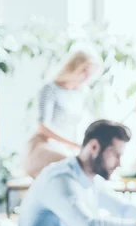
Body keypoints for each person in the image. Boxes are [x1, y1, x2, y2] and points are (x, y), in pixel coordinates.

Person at [24, 50, 98, 178]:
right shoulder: (50, 89)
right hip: (44, 147)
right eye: (84, 70)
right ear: (73, 67)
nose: (87, 76)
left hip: (66, 148)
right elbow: (43, 127)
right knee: (77, 166)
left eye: (90, 72)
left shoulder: (81, 93)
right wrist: (73, 145)